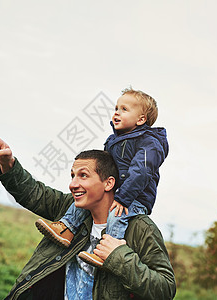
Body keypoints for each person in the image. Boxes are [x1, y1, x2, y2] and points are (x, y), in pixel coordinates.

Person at [0, 128, 176, 300]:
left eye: (83, 175)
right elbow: (34, 193)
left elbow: (165, 289)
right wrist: (8, 164)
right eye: (72, 175)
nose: (73, 184)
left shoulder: (141, 228)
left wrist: (119, 257)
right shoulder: (71, 210)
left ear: (109, 183)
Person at [35, 87, 169, 267]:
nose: (116, 113)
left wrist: (123, 198)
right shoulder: (113, 140)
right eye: (116, 108)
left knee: (116, 215)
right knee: (86, 200)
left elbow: (141, 172)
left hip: (135, 198)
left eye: (124, 109)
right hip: (118, 193)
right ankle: (66, 228)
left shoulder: (150, 142)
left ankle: (108, 250)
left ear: (141, 119)